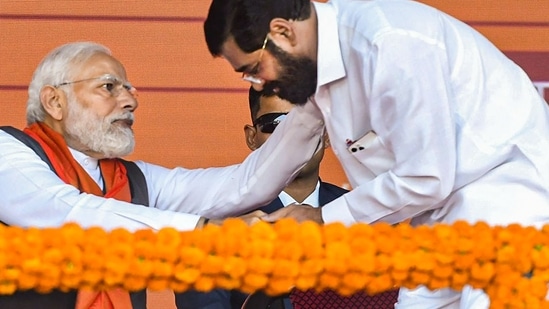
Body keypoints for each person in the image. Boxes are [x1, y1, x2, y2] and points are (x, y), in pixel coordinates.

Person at [203, 0, 549, 308]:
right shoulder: (319, 76)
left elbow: (427, 178)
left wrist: (321, 219)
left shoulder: (387, 41)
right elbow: (255, 178)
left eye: (252, 69)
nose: (259, 84)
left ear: (282, 32)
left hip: (512, 214)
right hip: (440, 231)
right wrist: (167, 206)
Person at [0, 41, 325, 309]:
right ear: (54, 101)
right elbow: (70, 214)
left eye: (128, 90)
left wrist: (316, 104)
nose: (129, 101)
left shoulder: (134, 179)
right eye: (109, 87)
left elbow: (243, 185)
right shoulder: (8, 150)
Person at [175, 87, 398, 309]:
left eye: (306, 124)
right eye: (276, 124)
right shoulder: (213, 226)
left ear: (327, 135)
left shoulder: (365, 215)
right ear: (252, 138)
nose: (292, 137)